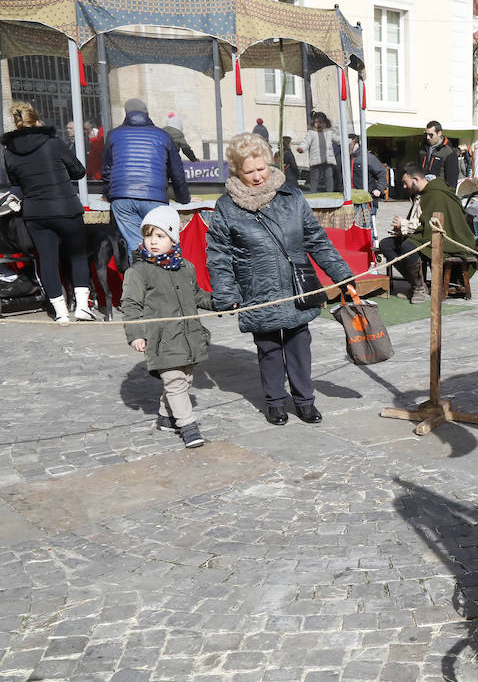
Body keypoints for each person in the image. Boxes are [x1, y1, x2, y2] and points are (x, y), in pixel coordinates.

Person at [206, 132, 353, 426]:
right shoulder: (227, 206)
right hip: (257, 288)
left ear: (270, 163)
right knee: (269, 348)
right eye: (249, 172)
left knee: (300, 345)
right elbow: (219, 254)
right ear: (237, 171)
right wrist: (225, 292)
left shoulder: (292, 196)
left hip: (296, 286)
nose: (258, 176)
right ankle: (274, 401)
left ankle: (305, 400)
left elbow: (317, 240)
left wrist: (342, 274)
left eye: (261, 168)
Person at [121, 205, 213, 449]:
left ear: (173, 238)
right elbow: (130, 304)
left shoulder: (186, 268)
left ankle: (165, 416)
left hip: (188, 337)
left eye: (160, 236)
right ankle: (188, 425)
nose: (153, 241)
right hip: (162, 339)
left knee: (185, 381)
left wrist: (220, 302)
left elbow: (197, 296)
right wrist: (136, 334)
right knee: (174, 382)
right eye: (148, 235)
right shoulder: (138, 271)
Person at [1, 102, 96, 323]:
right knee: (78, 255)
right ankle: (82, 307)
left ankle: (60, 312)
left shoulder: (9, 152)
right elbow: (79, 171)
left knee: (47, 260)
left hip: (35, 212)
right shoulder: (52, 143)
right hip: (65, 208)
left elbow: (16, 181)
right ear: (35, 120)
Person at [102, 98, 190, 261]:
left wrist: (109, 194)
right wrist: (184, 198)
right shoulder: (163, 135)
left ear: (126, 114)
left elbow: (107, 170)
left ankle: (140, 283)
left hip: (122, 198)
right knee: (160, 242)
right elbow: (177, 171)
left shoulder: (114, 135)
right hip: (154, 196)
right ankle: (161, 281)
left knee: (136, 245)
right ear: (147, 114)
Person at [379, 164, 476, 303]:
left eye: (406, 182)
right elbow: (422, 222)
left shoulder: (436, 194)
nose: (405, 187)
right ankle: (416, 283)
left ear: (416, 179)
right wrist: (402, 229)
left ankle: (417, 288)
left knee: (408, 247)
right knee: (386, 244)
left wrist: (404, 225)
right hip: (427, 235)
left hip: (448, 240)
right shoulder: (424, 194)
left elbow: (432, 225)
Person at [298, 111, 338, 193]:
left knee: (329, 176)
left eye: (320, 122)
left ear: (325, 123)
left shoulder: (329, 133)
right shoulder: (311, 133)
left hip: (327, 159)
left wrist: (348, 141)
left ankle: (330, 192)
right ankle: (313, 191)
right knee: (314, 177)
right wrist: (302, 148)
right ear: (313, 123)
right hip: (316, 159)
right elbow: (306, 142)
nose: (318, 124)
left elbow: (337, 139)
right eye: (316, 122)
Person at [347, 133, 387, 215]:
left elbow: (382, 173)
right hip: (351, 200)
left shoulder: (368, 158)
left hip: (367, 200)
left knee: (368, 226)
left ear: (356, 144)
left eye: (349, 145)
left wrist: (379, 189)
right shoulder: (346, 158)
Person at [418, 120, 459, 187]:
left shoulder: (449, 152)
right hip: (422, 190)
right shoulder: (422, 148)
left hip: (439, 191)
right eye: (426, 134)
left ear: (439, 133)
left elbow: (452, 181)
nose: (427, 137)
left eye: (431, 135)